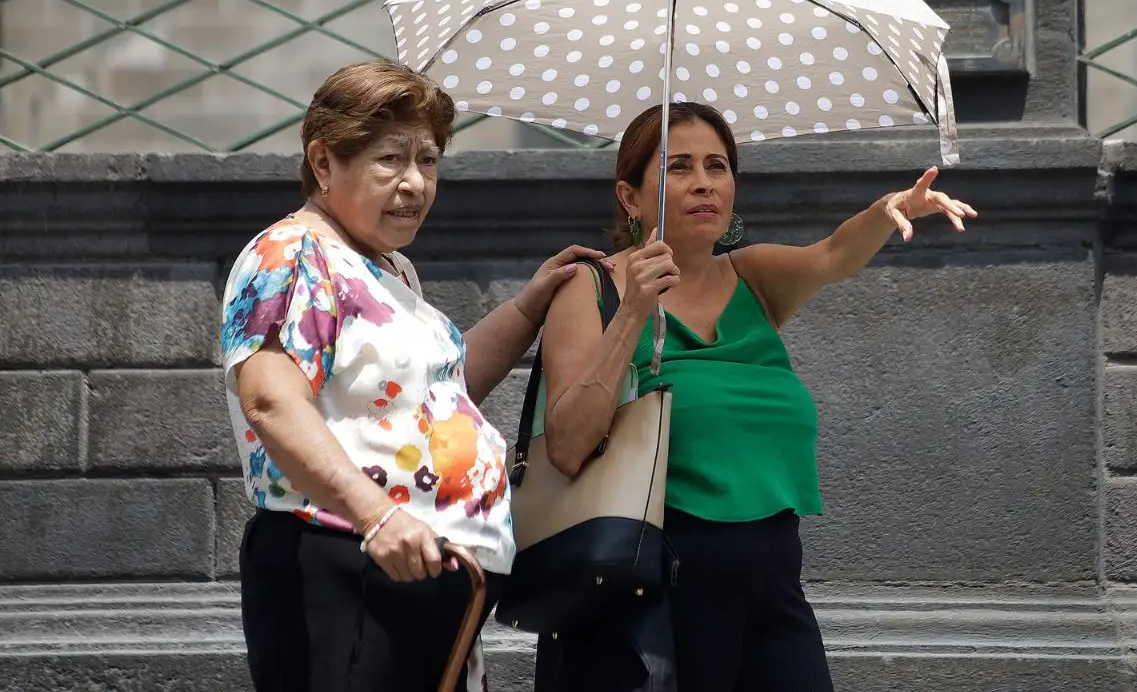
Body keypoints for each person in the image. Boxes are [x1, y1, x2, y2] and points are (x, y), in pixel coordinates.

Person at [535, 101, 977, 692]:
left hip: (772, 576)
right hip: (657, 579)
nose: (703, 183)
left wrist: (886, 210)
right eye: (678, 167)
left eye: (717, 166)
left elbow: (833, 256)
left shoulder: (752, 277)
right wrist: (634, 313)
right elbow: (565, 445)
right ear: (630, 196)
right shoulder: (590, 288)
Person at [220, 59, 611, 692]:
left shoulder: (390, 270)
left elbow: (439, 392)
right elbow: (270, 400)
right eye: (389, 160)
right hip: (348, 565)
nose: (414, 184)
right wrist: (376, 515)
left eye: (427, 162)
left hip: (425, 578)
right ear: (323, 164)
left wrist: (528, 307)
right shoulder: (293, 254)